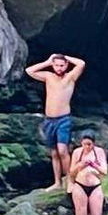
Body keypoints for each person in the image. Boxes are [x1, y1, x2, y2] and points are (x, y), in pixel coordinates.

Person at [26, 53, 87, 191]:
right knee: (54, 153)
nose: (59, 68)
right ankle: (57, 182)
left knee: (63, 150)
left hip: (63, 119)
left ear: (66, 65)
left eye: (61, 65)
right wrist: (48, 61)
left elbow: (81, 63)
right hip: (49, 120)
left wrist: (65, 57)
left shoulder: (70, 77)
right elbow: (29, 71)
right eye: (56, 65)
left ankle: (71, 181)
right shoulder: (48, 76)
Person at [68, 131, 108, 215]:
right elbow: (71, 173)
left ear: (93, 143)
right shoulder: (77, 152)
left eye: (89, 144)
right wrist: (80, 165)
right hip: (80, 185)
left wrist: (94, 165)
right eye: (84, 144)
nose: (87, 147)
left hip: (95, 186)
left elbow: (104, 172)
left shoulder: (99, 152)